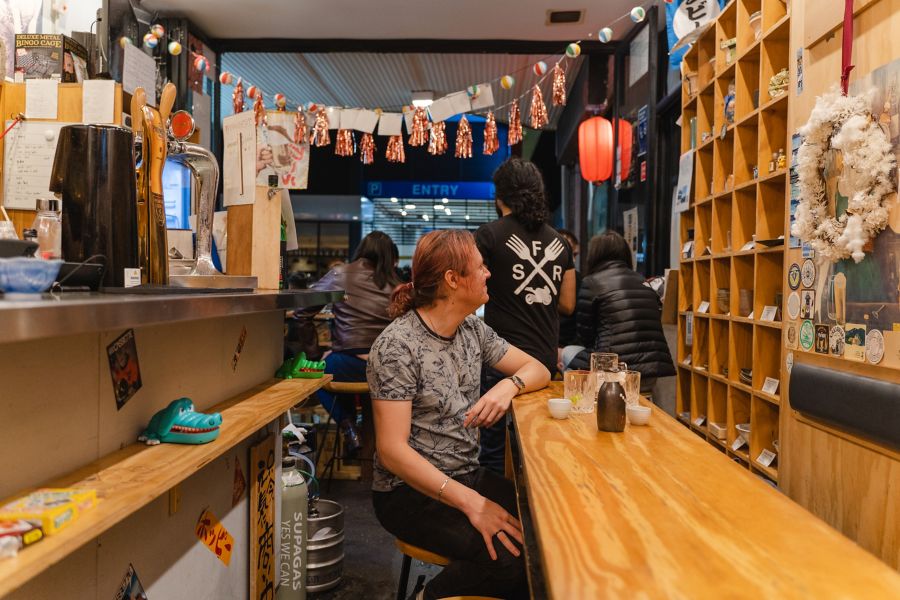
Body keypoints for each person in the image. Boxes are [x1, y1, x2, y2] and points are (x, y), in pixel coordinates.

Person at [368, 229, 549, 600]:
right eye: (481, 267)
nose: (488, 274)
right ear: (453, 280)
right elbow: (392, 451)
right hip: (407, 493)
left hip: (465, 474)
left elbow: (539, 368)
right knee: (512, 560)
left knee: (545, 529)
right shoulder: (396, 346)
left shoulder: (472, 331)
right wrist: (472, 503)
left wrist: (507, 386)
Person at [474, 157, 575, 474]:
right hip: (545, 361)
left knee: (493, 451)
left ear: (499, 195)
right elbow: (568, 304)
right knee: (538, 447)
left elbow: (472, 289)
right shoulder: (559, 242)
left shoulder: (489, 235)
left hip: (502, 358)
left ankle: (499, 517)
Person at [309, 231, 400, 454]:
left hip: (348, 365)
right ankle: (366, 440)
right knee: (336, 364)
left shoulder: (339, 275)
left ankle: (349, 427)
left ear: (361, 251)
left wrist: (313, 355)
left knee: (320, 373)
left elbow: (302, 312)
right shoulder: (397, 285)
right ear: (390, 257)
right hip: (390, 370)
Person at [566, 231, 675, 394]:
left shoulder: (591, 283)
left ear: (594, 255)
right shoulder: (644, 282)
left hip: (610, 377)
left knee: (567, 353)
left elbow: (585, 336)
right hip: (648, 375)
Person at [555, 228, 582, 363]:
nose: (572, 260)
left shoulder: (579, 279)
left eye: (575, 255)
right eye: (566, 253)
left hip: (568, 348)